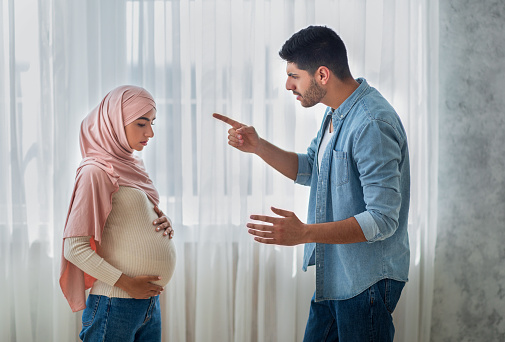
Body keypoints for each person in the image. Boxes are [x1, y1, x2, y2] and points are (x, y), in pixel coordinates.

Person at [213, 25, 410, 341]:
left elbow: (383, 220)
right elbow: (311, 169)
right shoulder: (336, 113)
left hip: (366, 280)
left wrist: (304, 232)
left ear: (322, 75)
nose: (287, 84)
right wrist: (258, 146)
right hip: (335, 273)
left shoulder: (371, 123)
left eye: (294, 75)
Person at [59, 85, 177, 341]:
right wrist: (127, 283)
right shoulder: (95, 172)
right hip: (115, 304)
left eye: (152, 123)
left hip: (147, 303)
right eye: (141, 123)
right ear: (114, 122)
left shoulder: (130, 167)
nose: (151, 132)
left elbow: (127, 220)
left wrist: (161, 223)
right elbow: (74, 248)